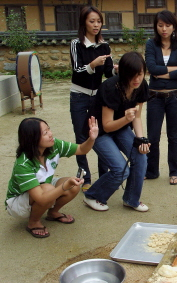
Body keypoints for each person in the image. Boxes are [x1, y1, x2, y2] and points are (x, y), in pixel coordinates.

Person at [5, 117, 99, 238]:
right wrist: (64, 186)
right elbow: (42, 199)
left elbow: (81, 149)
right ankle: (33, 222)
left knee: (73, 187)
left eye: (48, 129)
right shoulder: (23, 164)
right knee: (55, 188)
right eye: (45, 133)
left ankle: (53, 213)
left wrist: (91, 139)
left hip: (43, 187)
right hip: (17, 203)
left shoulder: (54, 145)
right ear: (32, 138)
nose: (51, 134)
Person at [83, 52, 150, 212]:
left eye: (140, 74)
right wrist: (126, 119)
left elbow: (137, 116)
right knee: (120, 169)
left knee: (141, 157)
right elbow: (107, 126)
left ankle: (131, 199)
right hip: (98, 131)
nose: (136, 80)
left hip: (121, 127)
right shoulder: (110, 87)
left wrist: (141, 140)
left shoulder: (141, 86)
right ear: (123, 73)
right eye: (132, 75)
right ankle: (92, 195)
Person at [70, 5, 117, 191]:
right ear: (84, 23)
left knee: (99, 135)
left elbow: (107, 73)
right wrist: (92, 64)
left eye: (98, 21)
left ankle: (103, 176)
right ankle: (85, 177)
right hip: (79, 96)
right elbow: (77, 71)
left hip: (98, 97)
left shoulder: (104, 45)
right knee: (81, 137)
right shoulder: (76, 44)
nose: (96, 25)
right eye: (92, 21)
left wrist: (115, 69)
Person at [145, 10, 177, 185]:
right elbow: (151, 68)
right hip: (154, 97)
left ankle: (175, 171)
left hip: (176, 97)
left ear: (174, 26)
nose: (164, 29)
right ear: (156, 26)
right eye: (160, 25)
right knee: (153, 136)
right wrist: (173, 69)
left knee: (173, 135)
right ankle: (152, 170)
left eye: (168, 25)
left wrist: (160, 73)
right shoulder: (151, 44)